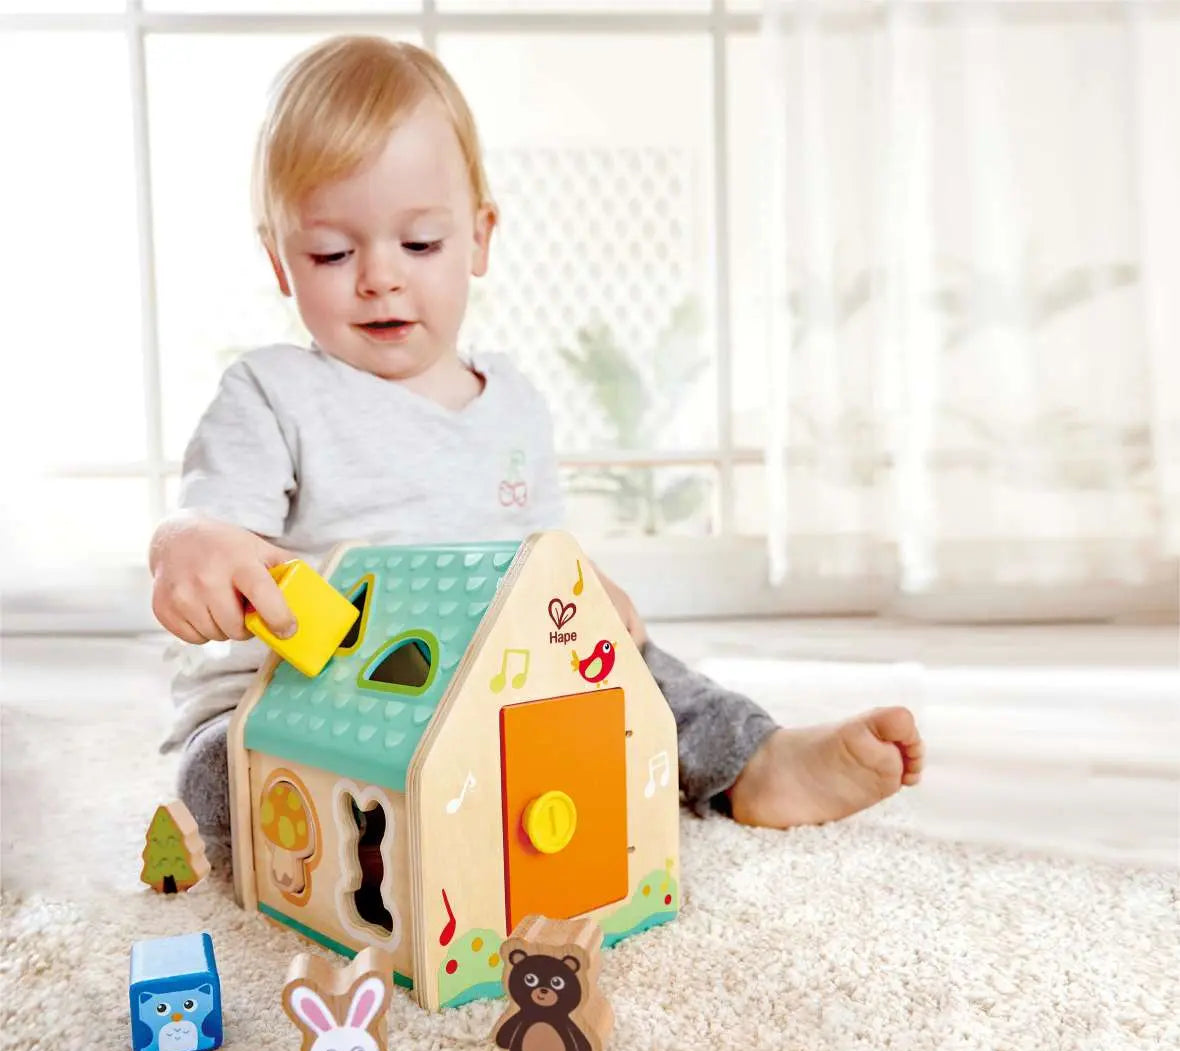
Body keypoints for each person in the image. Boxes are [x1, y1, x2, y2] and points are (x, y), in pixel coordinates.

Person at [149, 36, 924, 855]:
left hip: (479, 681)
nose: (380, 277)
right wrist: (190, 542)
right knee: (226, 773)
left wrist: (588, 594)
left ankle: (756, 763)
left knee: (644, 669)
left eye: (420, 244)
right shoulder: (272, 392)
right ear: (280, 260)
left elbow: (540, 559)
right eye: (332, 254)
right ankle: (387, 825)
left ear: (480, 238)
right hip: (307, 691)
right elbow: (213, 518)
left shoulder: (512, 402)